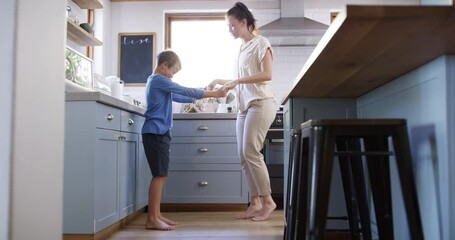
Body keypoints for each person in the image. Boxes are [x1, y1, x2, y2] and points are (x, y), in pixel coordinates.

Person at [142, 50, 227, 230]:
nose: (173, 76)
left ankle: (156, 215)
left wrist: (205, 91)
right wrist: (215, 94)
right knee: (159, 175)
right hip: (156, 132)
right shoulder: (159, 80)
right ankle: (151, 219)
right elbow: (183, 89)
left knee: (160, 174)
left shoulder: (159, 82)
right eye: (173, 71)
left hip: (159, 132)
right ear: (165, 65)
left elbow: (181, 95)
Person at [207, 2, 277, 221]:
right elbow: (241, 80)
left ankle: (268, 201)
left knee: (251, 152)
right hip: (244, 106)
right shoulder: (241, 48)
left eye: (232, 25)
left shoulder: (261, 43)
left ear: (244, 22)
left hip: (261, 102)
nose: (230, 29)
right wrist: (221, 81)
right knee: (242, 156)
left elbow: (267, 75)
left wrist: (236, 81)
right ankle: (254, 202)